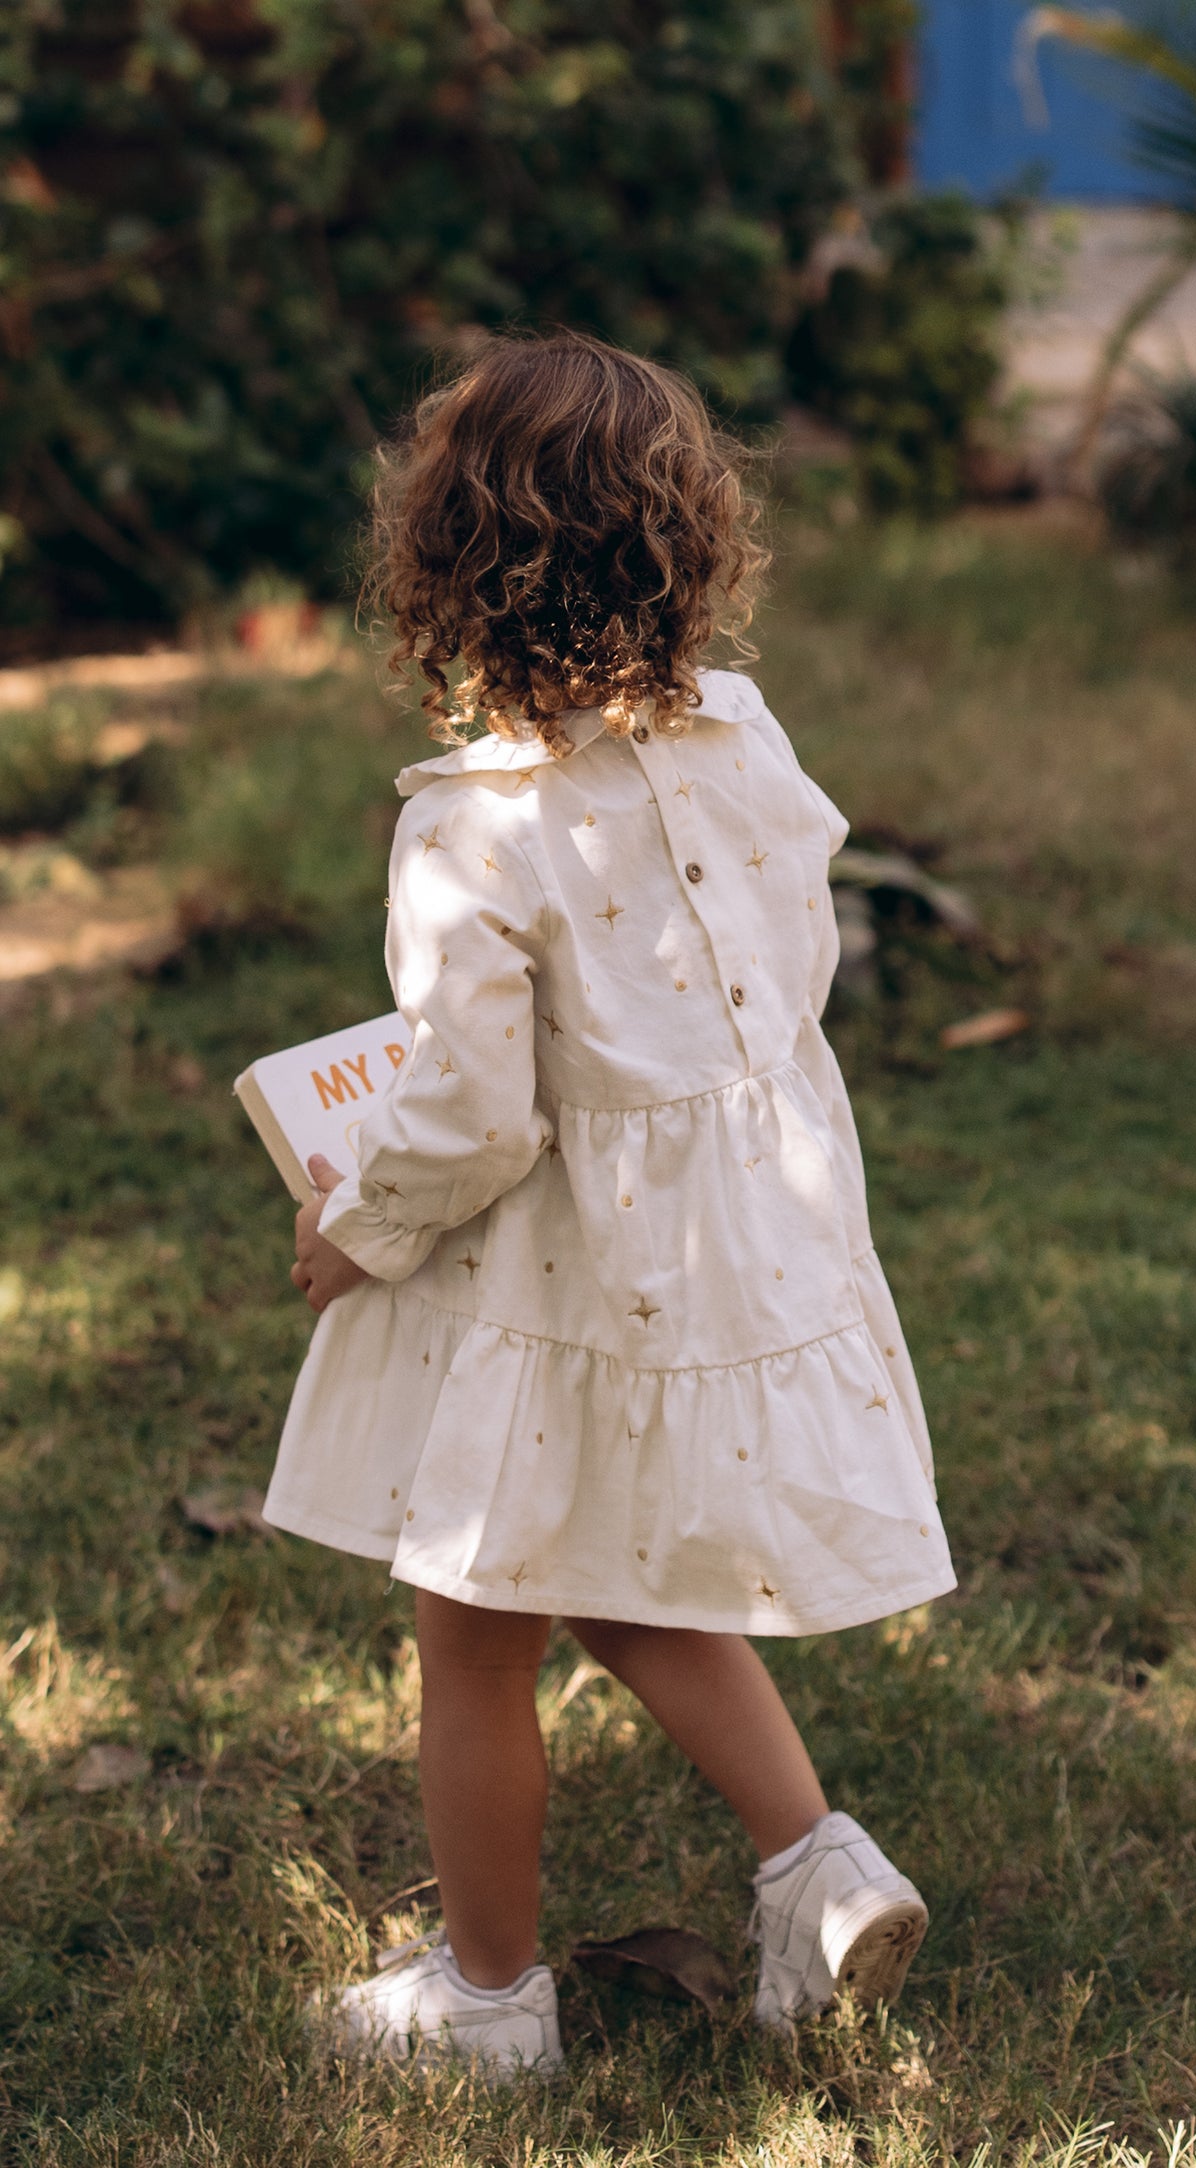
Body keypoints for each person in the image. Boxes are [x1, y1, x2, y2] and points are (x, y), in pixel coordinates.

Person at [267, 331, 957, 2077]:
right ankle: (816, 1863)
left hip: (550, 1279)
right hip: (718, 1241)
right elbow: (780, 964)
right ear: (690, 540)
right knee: (620, 1574)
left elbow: (477, 1115)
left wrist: (359, 1217)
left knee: (477, 1635)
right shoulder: (738, 728)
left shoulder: (472, 825)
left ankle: (487, 2000)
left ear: (441, 564)